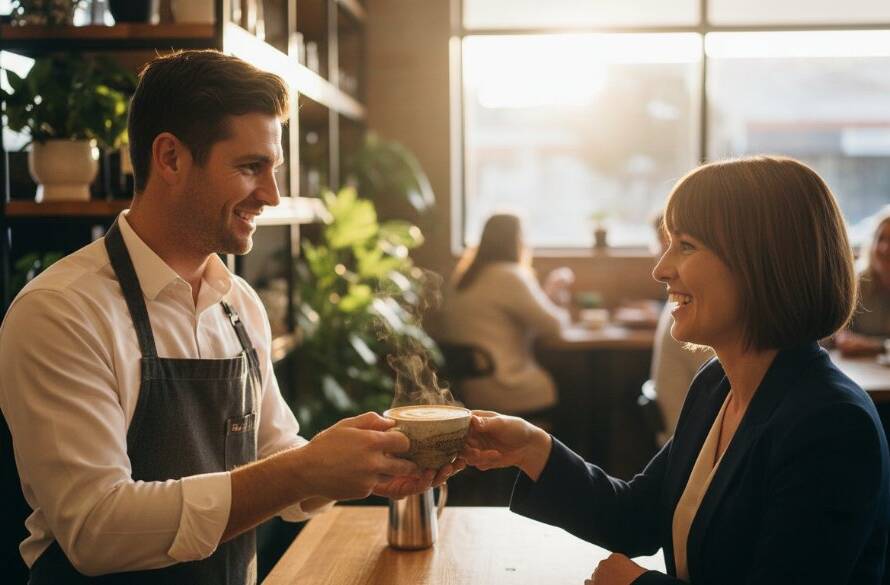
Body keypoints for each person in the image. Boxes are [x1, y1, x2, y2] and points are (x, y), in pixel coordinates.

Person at [0, 50, 456, 584]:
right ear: (169, 158)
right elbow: (97, 528)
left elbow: (276, 455)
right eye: (249, 167)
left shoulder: (238, 302)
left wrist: (359, 468)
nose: (271, 194)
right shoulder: (63, 312)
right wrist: (304, 470)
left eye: (274, 169)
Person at [462, 156, 890, 584]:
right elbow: (634, 517)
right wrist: (532, 449)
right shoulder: (717, 384)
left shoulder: (831, 424)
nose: (660, 269)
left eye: (685, 245)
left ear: (762, 262)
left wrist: (637, 584)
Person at [429, 213, 570, 417]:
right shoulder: (509, 275)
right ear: (517, 240)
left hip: (471, 388)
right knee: (578, 389)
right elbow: (555, 327)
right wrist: (556, 294)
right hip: (507, 387)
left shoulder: (466, 276)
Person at [648, 213, 712, 444]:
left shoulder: (683, 305)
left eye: (685, 246)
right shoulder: (690, 308)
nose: (659, 270)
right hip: (687, 442)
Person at [835, 206, 890, 356]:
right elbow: (840, 331)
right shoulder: (856, 283)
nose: (885, 248)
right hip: (861, 370)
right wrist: (843, 337)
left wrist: (875, 345)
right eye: (881, 239)